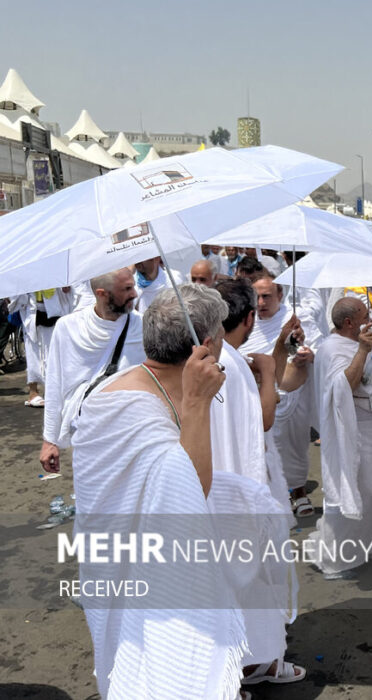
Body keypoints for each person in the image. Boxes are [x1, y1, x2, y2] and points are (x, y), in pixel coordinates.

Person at [71, 284, 248, 699]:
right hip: (123, 567)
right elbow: (189, 490)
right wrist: (197, 407)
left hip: (149, 558)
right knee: (140, 663)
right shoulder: (125, 403)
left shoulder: (152, 384)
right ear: (206, 345)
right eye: (221, 333)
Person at [208, 279, 306, 687]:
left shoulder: (214, 356)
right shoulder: (228, 363)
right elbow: (262, 420)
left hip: (219, 484)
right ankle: (259, 663)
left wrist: (279, 349)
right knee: (258, 578)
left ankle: (243, 663)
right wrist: (268, 373)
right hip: (241, 486)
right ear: (249, 317)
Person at [310, 297, 372, 576]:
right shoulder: (333, 348)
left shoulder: (350, 343)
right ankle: (337, 558)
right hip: (349, 431)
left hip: (369, 426)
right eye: (364, 317)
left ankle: (369, 542)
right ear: (348, 323)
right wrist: (363, 351)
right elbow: (345, 385)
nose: (369, 321)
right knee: (347, 486)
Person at [40, 270, 143, 474]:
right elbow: (54, 385)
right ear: (102, 294)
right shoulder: (67, 327)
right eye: (127, 289)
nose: (135, 294)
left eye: (133, 286)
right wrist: (50, 441)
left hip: (132, 434)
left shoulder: (142, 325)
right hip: (86, 434)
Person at [240, 275, 320, 516]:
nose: (261, 302)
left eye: (267, 296)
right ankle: (269, 495)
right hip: (256, 395)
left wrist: (309, 353)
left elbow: (317, 345)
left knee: (293, 445)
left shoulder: (296, 319)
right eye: (257, 297)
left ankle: (298, 491)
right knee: (260, 448)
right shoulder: (246, 320)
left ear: (280, 297)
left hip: (292, 394)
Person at [11, 287, 72, 407]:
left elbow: (67, 291)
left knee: (53, 353)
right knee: (32, 354)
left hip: (54, 309)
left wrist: (65, 288)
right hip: (32, 311)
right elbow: (16, 294)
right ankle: (33, 392)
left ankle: (51, 392)